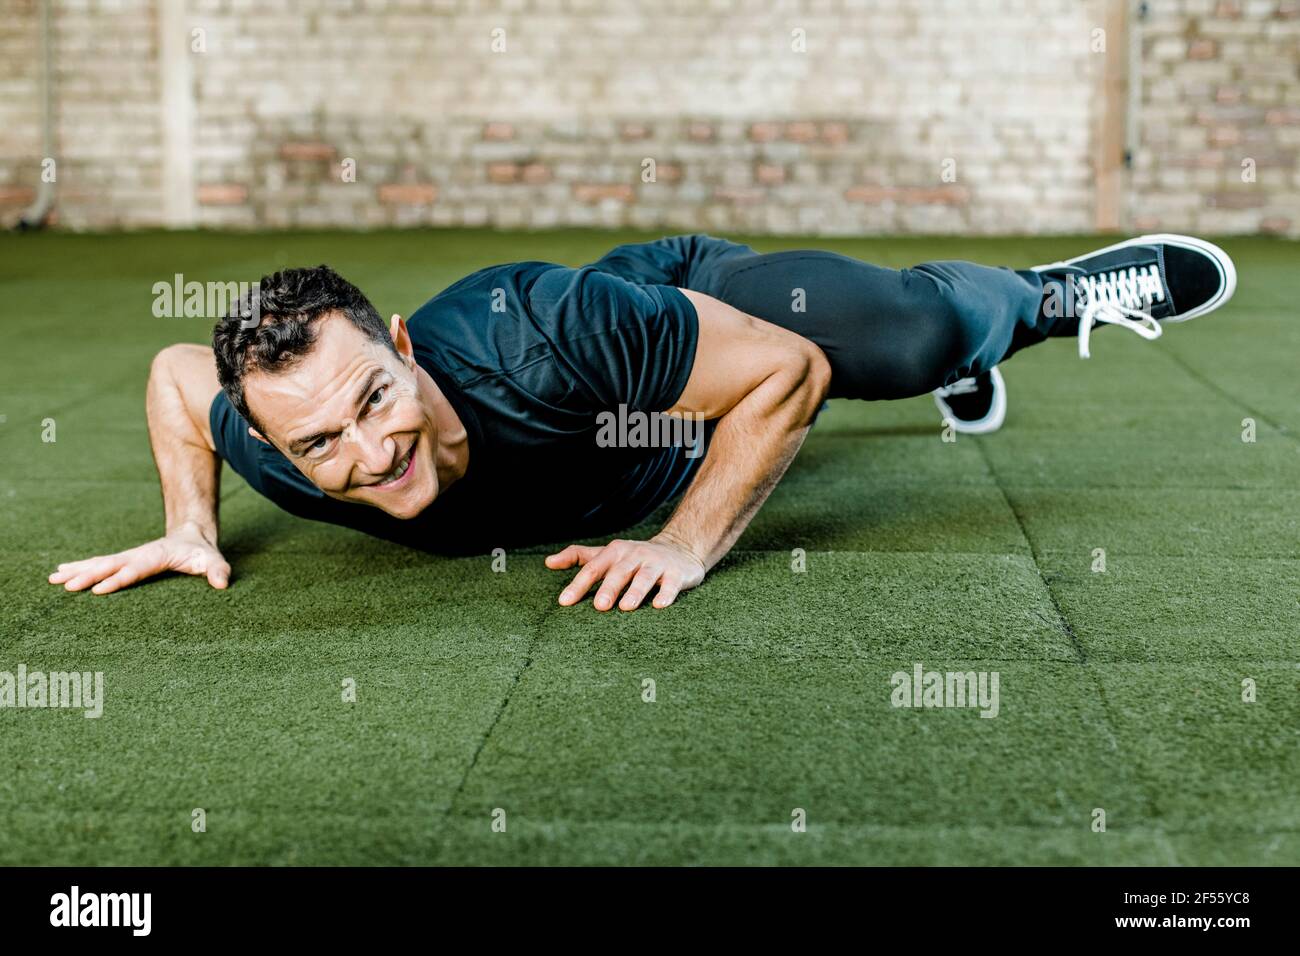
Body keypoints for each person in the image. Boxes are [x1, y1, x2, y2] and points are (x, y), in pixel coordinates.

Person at [47, 233, 1236, 611]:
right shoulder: (279, 438)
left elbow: (777, 378)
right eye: (318, 445)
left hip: (660, 307)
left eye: (374, 397)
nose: (367, 454)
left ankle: (1033, 301)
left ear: (403, 347)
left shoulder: (553, 334)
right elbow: (168, 375)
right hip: (629, 409)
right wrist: (190, 523)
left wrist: (684, 543)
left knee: (893, 341)